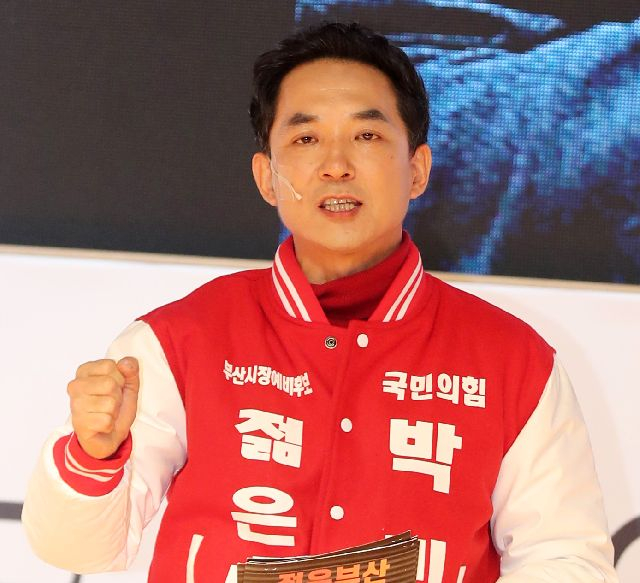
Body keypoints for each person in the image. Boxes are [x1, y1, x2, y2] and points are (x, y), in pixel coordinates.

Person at [22, 22, 617, 583]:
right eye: (306, 138)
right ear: (267, 177)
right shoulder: (177, 341)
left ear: (417, 169)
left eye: (367, 135)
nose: (336, 165)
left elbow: (563, 556)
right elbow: (79, 550)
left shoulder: (513, 361)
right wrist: (94, 455)